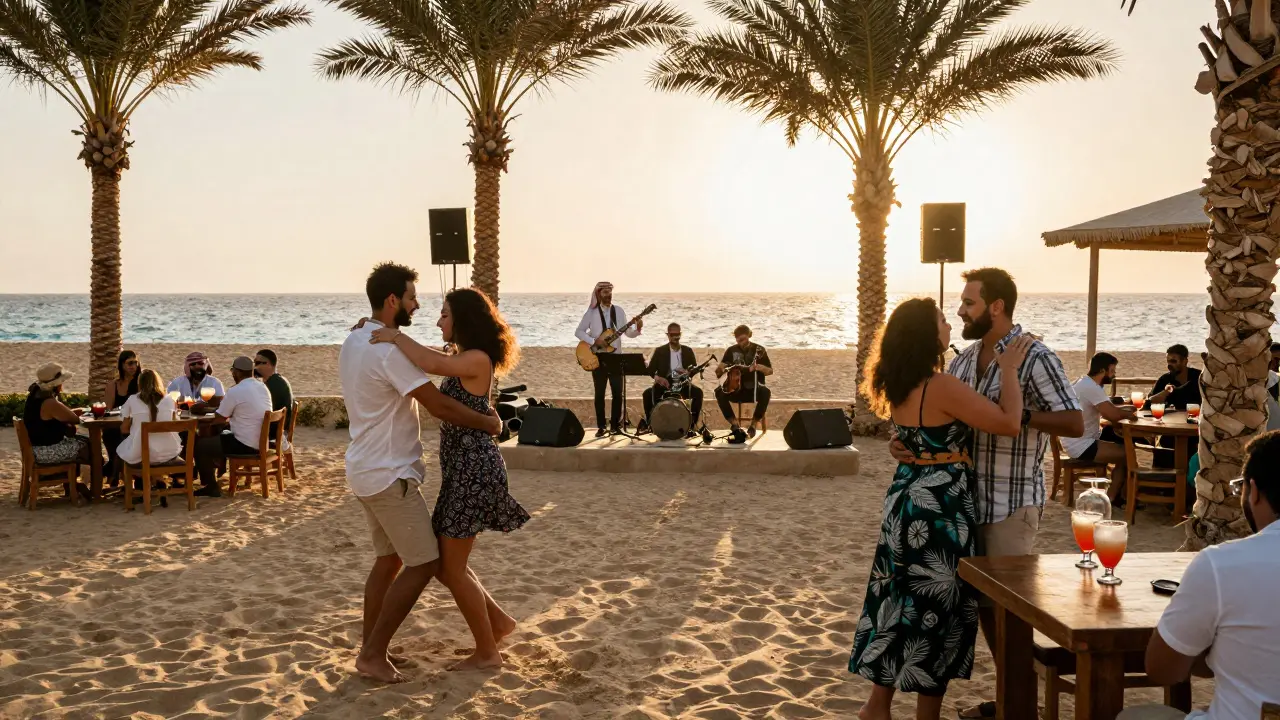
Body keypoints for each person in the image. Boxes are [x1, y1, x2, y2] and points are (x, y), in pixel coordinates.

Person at [891, 268, 1083, 720]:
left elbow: (1074, 423)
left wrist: (1018, 415)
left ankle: (1019, 708)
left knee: (1009, 615)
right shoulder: (962, 360)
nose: (960, 310)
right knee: (983, 613)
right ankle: (1013, 701)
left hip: (1010, 504)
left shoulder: (1035, 356)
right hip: (959, 505)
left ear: (996, 306)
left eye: (969, 303)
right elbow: (947, 421)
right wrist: (909, 444)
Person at [851, 298, 1032, 720]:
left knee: (897, 600)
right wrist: (1008, 370)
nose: (949, 326)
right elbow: (1008, 423)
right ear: (927, 335)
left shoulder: (898, 382)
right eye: (941, 322)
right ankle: (924, 716)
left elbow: (913, 439)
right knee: (935, 610)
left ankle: (877, 706)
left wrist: (904, 448)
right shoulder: (941, 385)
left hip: (904, 500)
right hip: (939, 508)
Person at [340, 262, 504, 683]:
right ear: (393, 300)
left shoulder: (356, 338)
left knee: (389, 559)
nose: (419, 306)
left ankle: (372, 648)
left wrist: (392, 334)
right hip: (389, 472)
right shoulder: (385, 349)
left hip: (365, 468)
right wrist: (488, 422)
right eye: (413, 297)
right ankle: (373, 654)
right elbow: (438, 404)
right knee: (426, 562)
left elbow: (441, 366)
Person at [367, 286, 528, 671]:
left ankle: (488, 653)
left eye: (444, 314)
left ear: (462, 320)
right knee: (445, 563)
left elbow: (430, 364)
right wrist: (374, 329)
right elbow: (429, 358)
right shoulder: (462, 356)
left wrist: (392, 334)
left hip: (475, 470)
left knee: (449, 567)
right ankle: (499, 624)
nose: (438, 320)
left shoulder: (476, 359)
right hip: (462, 471)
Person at [1117, 431, 1280, 720]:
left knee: (1137, 716)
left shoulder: (1223, 565)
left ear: (1253, 491)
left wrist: (1214, 643)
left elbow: (1163, 669)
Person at [190, 356, 273, 498]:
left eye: (233, 371)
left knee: (201, 445)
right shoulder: (262, 386)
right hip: (261, 441)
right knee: (220, 433)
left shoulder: (236, 390)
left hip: (245, 444)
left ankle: (210, 486)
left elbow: (220, 418)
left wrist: (204, 411)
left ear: (238, 372)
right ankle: (218, 470)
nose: (233, 374)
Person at [574, 281, 643, 437]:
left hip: (616, 357)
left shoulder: (618, 311)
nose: (608, 295)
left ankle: (615, 426)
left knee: (618, 393)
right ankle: (601, 426)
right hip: (597, 357)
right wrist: (594, 341)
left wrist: (638, 327)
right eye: (605, 293)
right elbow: (579, 332)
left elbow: (628, 333)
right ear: (599, 294)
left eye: (610, 292)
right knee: (599, 393)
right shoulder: (591, 313)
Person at [22, 363, 97, 499]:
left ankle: (72, 485)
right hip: (45, 452)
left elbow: (55, 415)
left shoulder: (35, 397)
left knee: (78, 443)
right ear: (56, 384)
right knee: (87, 446)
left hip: (35, 449)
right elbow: (73, 419)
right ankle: (85, 487)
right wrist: (74, 412)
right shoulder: (49, 402)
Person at [1064, 352, 1134, 491]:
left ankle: (1120, 493)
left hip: (1074, 439)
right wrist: (1132, 415)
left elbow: (1107, 407)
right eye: (1112, 371)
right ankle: (1115, 496)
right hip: (1081, 445)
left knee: (1118, 440)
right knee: (1129, 454)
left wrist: (1124, 409)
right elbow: (1112, 415)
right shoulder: (1091, 387)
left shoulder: (1084, 382)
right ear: (1102, 370)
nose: (1114, 375)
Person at [640, 323, 704, 434]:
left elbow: (693, 369)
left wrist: (687, 373)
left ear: (680, 334)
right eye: (672, 334)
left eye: (677, 334)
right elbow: (650, 370)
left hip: (682, 383)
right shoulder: (660, 351)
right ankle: (651, 424)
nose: (675, 337)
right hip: (664, 384)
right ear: (668, 335)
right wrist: (658, 378)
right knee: (647, 394)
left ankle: (691, 425)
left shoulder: (687, 351)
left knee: (698, 393)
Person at [713, 325, 773, 442]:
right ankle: (735, 424)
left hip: (753, 389)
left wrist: (759, 367)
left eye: (743, 339)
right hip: (735, 389)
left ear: (749, 335)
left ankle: (754, 425)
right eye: (738, 340)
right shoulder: (731, 350)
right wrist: (721, 368)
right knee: (719, 392)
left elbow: (770, 371)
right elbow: (719, 372)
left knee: (766, 392)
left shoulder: (759, 350)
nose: (741, 343)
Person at [116, 369, 182, 469]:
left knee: (124, 444)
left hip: (141, 455)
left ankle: (127, 480)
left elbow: (124, 429)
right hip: (168, 453)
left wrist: (136, 427)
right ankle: (158, 478)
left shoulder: (133, 399)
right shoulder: (170, 400)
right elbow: (176, 426)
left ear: (140, 383)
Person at [102, 350, 142, 484]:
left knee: (124, 436)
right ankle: (114, 467)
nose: (133, 366)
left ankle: (113, 472)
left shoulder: (141, 383)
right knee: (109, 433)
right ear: (122, 365)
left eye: (135, 363)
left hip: (136, 424)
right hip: (117, 423)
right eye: (130, 363)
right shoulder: (113, 385)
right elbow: (108, 409)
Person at [1148, 344, 1202, 410]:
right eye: (1168, 361)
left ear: (1185, 361)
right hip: (1173, 419)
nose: (1169, 365)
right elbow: (1149, 403)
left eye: (1173, 361)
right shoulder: (1164, 379)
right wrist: (1166, 392)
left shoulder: (1198, 377)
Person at [254, 348, 294, 433]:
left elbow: (262, 412)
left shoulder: (273, 386)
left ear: (268, 364)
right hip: (280, 428)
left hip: (273, 431)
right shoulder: (279, 380)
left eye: (257, 363)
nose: (255, 367)